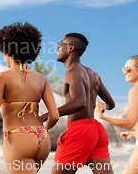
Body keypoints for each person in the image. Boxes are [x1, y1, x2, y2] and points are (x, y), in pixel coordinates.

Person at [0, 22, 59, 173]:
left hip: (19, 138)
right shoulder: (42, 79)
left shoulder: (1, 78)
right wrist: (39, 131)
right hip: (42, 137)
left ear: (6, 51)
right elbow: (54, 116)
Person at [41, 33, 116, 174]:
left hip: (79, 130)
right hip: (96, 130)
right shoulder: (94, 74)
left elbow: (79, 101)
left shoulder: (72, 72)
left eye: (60, 44)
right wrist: (101, 107)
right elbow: (111, 104)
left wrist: (47, 115)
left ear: (70, 48)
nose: (57, 48)